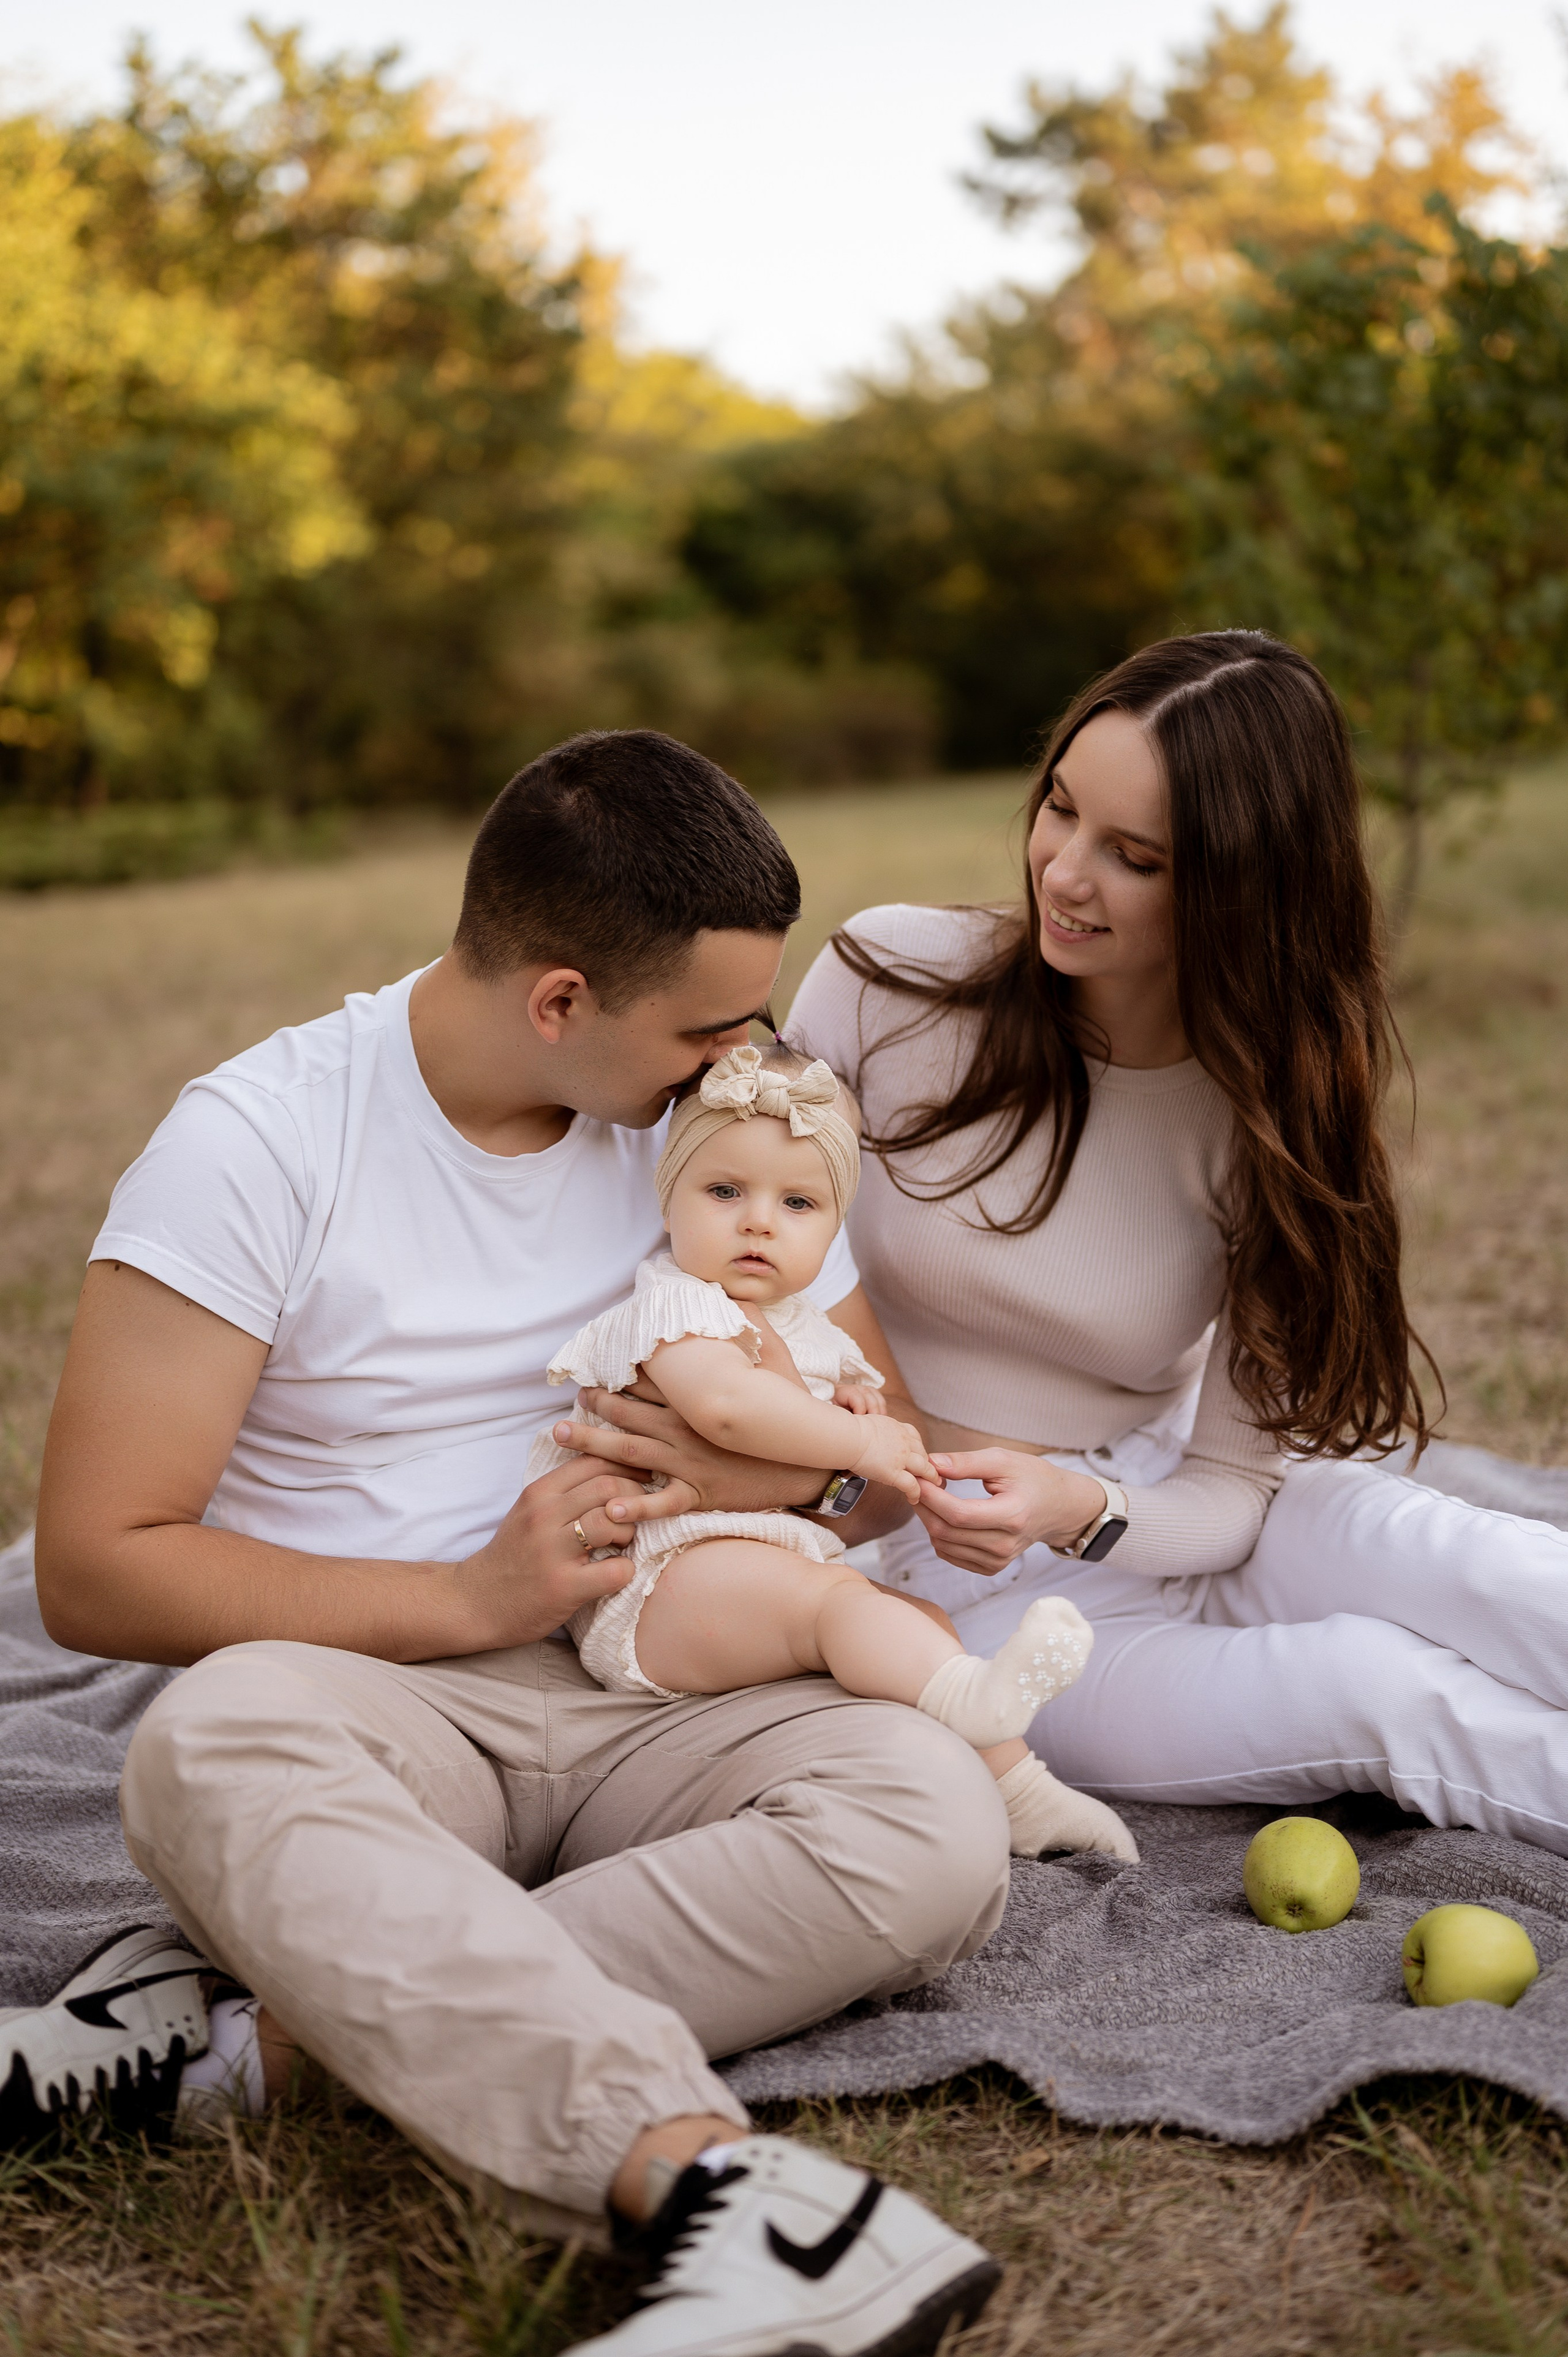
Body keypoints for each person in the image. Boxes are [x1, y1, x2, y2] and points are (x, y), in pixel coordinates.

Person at [23, 730, 1008, 2357]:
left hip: (679, 1674)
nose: (742, 1058)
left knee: (934, 1817)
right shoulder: (259, 1144)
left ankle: (259, 2046)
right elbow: (96, 1565)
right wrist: (468, 1594)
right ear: (560, 1001)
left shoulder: (707, 1135)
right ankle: (726, 2197)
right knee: (207, 1749)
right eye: (706, 1024)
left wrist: (769, 1482)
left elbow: (877, 1456)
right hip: (388, 1699)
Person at [775, 628, 1568, 1855]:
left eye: (1132, 856)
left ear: (1243, 886)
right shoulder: (885, 983)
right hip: (958, 1587)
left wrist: (1078, 1498)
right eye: (1058, 809)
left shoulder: (1266, 1109)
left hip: (1139, 1502)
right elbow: (723, 1240)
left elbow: (1227, 1491)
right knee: (1383, 1691)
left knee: (1480, 1566)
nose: (1063, 871)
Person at [530, 1038, 1135, 1861]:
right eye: (724, 1191)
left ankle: (1022, 1788)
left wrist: (854, 1401)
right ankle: (979, 1708)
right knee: (838, 1610)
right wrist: (856, 1437)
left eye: (798, 1206)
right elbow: (728, 1408)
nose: (757, 1221)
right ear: (669, 1197)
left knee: (912, 1620)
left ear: (834, 1226)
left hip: (754, 1573)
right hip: (657, 1589)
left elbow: (822, 1421)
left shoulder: (808, 1327)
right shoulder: (676, 1305)